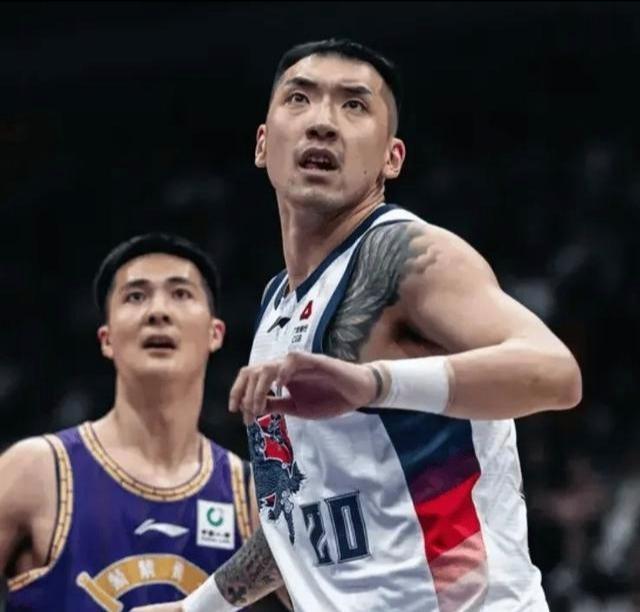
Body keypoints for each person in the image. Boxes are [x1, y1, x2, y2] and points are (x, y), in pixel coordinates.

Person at [136, 38, 582, 612]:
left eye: (354, 105)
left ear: (392, 158)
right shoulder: (277, 305)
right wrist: (197, 608)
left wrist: (372, 383)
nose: (322, 122)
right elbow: (301, 516)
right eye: (299, 99)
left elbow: (555, 373)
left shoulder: (406, 257)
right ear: (263, 144)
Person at [0, 233, 270, 610]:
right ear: (106, 338)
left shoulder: (254, 497)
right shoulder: (34, 471)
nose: (158, 312)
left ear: (215, 333)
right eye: (135, 296)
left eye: (181, 294)